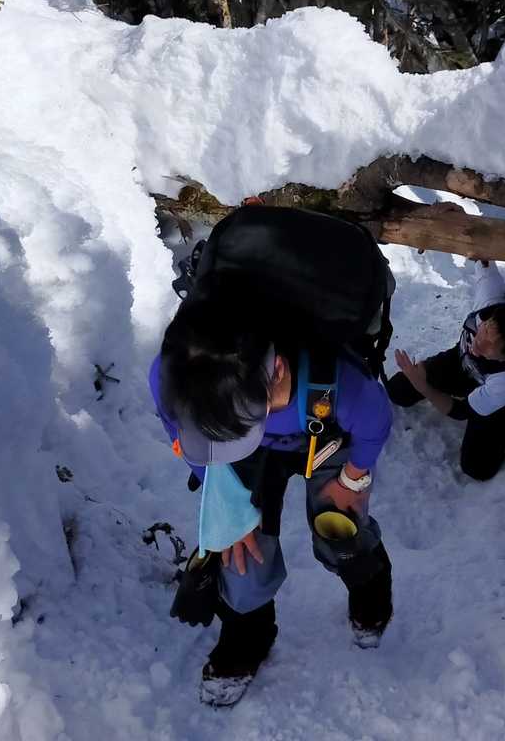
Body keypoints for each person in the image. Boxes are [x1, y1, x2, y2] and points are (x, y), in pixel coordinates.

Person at [150, 285, 395, 704]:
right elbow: (183, 434)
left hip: (324, 434)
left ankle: (370, 595)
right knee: (238, 551)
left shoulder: (339, 384)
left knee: (340, 527)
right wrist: (227, 509)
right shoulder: (177, 375)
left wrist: (353, 479)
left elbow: (375, 422)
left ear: (277, 369)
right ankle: (248, 636)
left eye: (246, 413)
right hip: (236, 447)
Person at [385, 260, 505, 481]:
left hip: (494, 393)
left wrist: (423, 386)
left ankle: (498, 432)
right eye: (485, 330)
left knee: (478, 468)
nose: (478, 343)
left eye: (490, 347)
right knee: (398, 391)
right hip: (459, 364)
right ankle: (459, 385)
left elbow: (461, 412)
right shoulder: (490, 302)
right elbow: (485, 265)